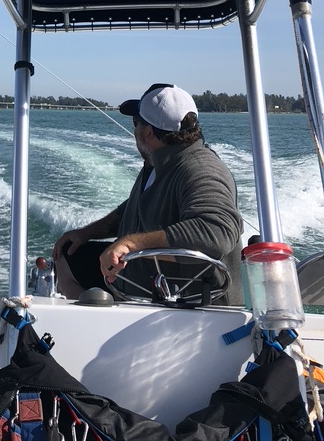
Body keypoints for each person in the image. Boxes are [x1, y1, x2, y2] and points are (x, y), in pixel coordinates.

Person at [52, 83, 243, 305]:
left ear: (149, 133)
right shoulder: (157, 162)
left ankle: (109, 325)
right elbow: (136, 208)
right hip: (139, 279)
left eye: (136, 123)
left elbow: (216, 232)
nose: (134, 130)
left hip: (187, 304)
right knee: (67, 254)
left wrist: (129, 245)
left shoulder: (201, 169)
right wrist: (86, 232)